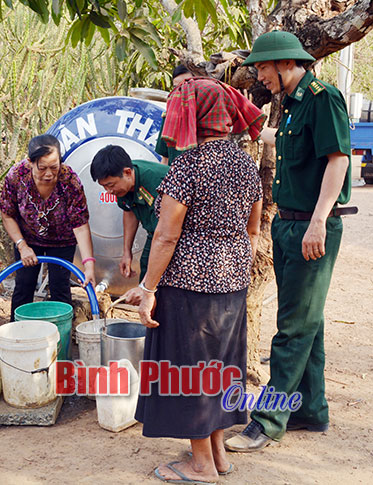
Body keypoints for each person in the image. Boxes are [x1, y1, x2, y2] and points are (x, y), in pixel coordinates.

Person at [225, 30, 354, 452]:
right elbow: (280, 140)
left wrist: (319, 221)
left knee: (292, 329)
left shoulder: (322, 98)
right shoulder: (294, 105)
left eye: (263, 68)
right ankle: (309, 411)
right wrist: (252, 129)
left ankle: (268, 420)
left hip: (310, 228)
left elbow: (338, 160)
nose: (260, 76)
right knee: (307, 325)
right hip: (288, 226)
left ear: (285, 63)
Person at [135, 77, 265, 484]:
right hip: (232, 283)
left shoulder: (188, 166)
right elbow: (254, 229)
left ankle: (201, 466)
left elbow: (166, 234)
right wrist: (230, 264)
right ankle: (219, 455)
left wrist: (148, 289)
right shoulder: (245, 162)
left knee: (189, 371)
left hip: (188, 289)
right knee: (221, 369)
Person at [0, 134, 96, 320]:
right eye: (42, 168)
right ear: (30, 163)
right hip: (27, 238)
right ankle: (18, 333)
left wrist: (88, 265)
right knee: (24, 284)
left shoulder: (70, 181)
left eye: (54, 167)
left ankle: (60, 335)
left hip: (62, 241)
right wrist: (22, 245)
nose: (49, 174)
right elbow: (7, 214)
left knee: (60, 286)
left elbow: (80, 225)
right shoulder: (16, 176)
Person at [89, 145, 169, 305]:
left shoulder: (156, 182)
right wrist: (127, 252)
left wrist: (146, 288)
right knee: (147, 275)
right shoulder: (122, 188)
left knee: (161, 290)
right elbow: (129, 211)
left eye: (111, 185)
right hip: (155, 236)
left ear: (127, 172)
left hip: (177, 240)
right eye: (104, 187)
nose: (108, 192)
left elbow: (166, 238)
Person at [156, 64, 195, 165]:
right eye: (175, 87)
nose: (179, 91)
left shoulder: (205, 118)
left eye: (186, 85)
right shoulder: (168, 117)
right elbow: (165, 159)